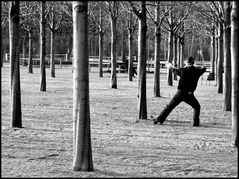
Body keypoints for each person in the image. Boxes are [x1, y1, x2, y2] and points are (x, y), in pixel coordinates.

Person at [152, 56, 206, 126]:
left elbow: (174, 70)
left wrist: (170, 66)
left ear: (187, 63)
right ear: (193, 63)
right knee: (197, 106)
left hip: (180, 93)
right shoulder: (197, 72)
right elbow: (203, 69)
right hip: (189, 94)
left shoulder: (183, 71)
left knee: (170, 107)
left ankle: (159, 120)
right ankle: (196, 123)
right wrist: (204, 67)